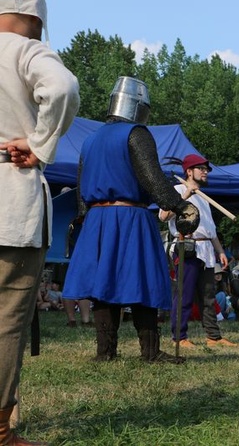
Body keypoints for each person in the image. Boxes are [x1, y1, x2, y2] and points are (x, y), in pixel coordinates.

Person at [63, 76, 200, 364]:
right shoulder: (136, 133)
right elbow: (152, 178)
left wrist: (84, 216)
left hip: (97, 219)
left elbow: (81, 182)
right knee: (142, 281)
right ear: (139, 106)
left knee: (104, 285)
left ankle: (105, 353)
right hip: (129, 217)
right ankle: (149, 352)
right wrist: (178, 205)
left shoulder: (91, 139)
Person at [0, 1, 80, 443]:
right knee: (7, 319)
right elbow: (63, 87)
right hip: (9, 196)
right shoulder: (25, 51)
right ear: (35, 17)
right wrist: (39, 143)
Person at [159, 154, 236, 348]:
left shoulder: (204, 198)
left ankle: (213, 336)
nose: (205, 171)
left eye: (206, 169)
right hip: (187, 246)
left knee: (208, 295)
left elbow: (210, 230)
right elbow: (163, 216)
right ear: (189, 172)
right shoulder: (175, 190)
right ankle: (179, 337)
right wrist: (185, 196)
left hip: (206, 249)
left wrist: (219, 252)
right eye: (201, 168)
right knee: (184, 294)